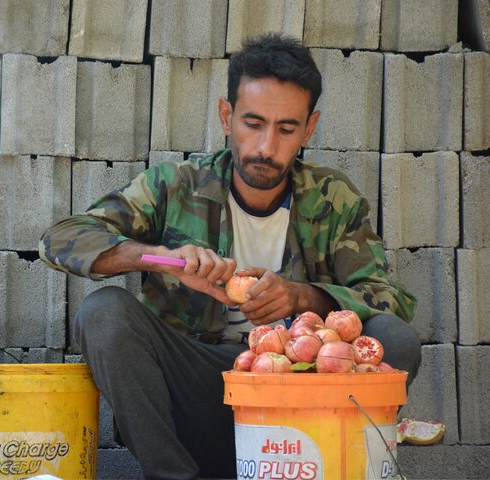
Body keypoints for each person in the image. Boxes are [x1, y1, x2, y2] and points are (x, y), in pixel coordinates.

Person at [39, 33, 421, 480]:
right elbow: (60, 238)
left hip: (301, 401)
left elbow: (389, 299)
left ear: (309, 129)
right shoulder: (177, 185)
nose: (265, 147)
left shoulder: (333, 198)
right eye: (252, 124)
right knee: (103, 311)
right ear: (227, 116)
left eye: (286, 129)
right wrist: (161, 258)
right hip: (195, 393)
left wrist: (303, 297)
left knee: (395, 338)